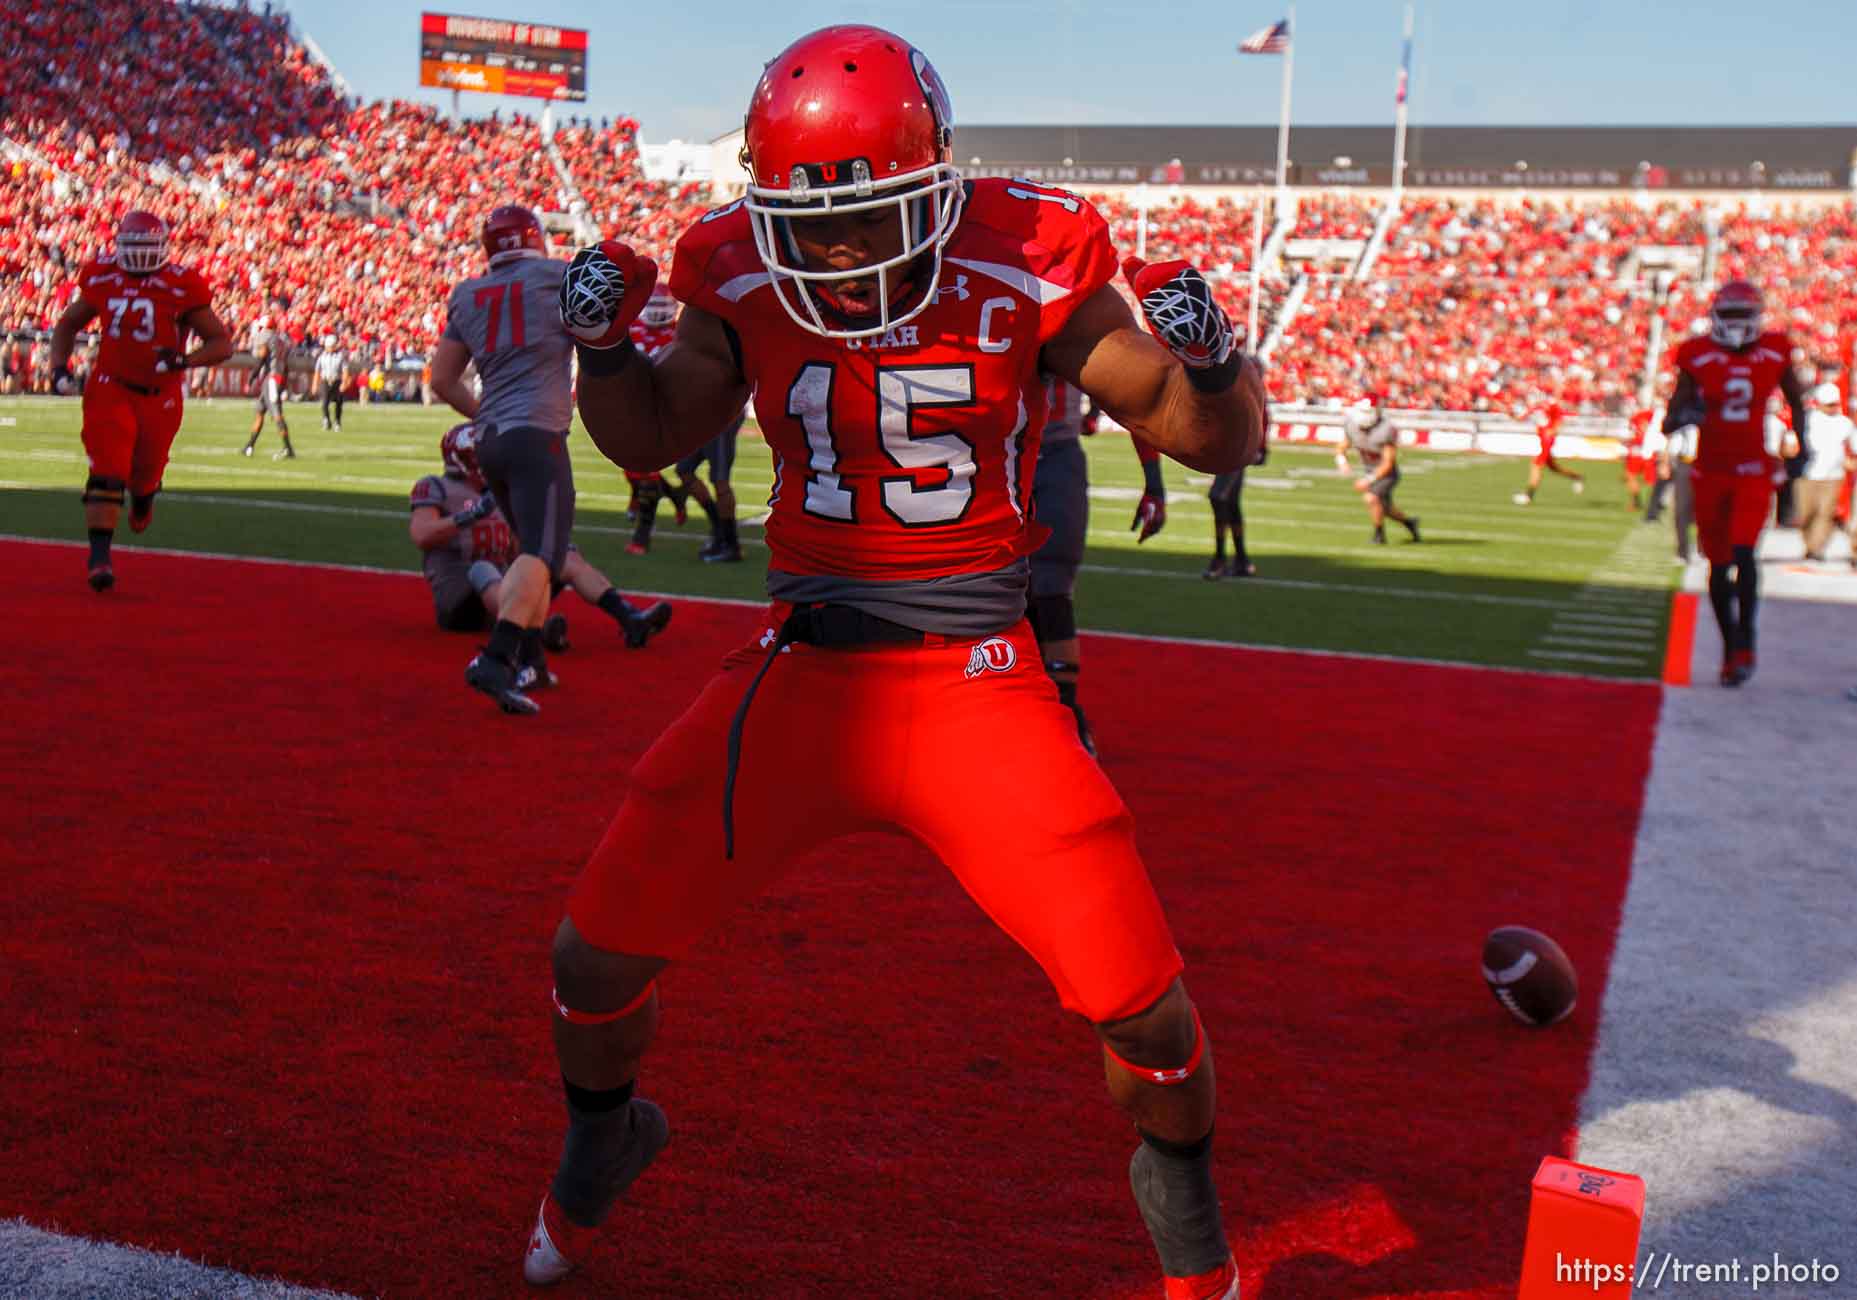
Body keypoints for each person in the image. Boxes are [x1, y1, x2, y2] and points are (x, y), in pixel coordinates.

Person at [532, 26, 1266, 1300]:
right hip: (804, 665)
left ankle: (1184, 1203)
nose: (834, 249)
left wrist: (1213, 362)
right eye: (808, 221)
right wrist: (601, 350)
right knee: (587, 959)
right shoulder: (734, 267)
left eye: (867, 217)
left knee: (1145, 1007)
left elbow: (1202, 437)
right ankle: (608, 1129)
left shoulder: (1027, 251)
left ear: (935, 181)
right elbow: (653, 436)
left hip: (976, 673)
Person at [430, 203, 601, 715]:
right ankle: (497, 657)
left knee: (530, 550)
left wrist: (486, 413)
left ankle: (533, 661)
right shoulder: (558, 278)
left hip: (490, 440)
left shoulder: (466, 293)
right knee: (544, 554)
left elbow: (441, 380)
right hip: (537, 436)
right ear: (536, 238)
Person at [47, 210, 233, 591]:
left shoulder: (182, 285)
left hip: (160, 395)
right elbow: (67, 324)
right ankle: (99, 559)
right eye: (133, 247)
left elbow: (220, 342)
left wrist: (184, 360)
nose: (139, 256)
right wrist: (58, 368)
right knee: (107, 470)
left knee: (144, 476)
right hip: (110, 386)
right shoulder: (100, 276)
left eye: (147, 247)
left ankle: (144, 496)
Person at [411, 423, 671, 670]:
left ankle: (630, 619)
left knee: (561, 554)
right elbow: (422, 534)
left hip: (506, 592)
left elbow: (515, 549)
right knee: (482, 567)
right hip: (460, 603)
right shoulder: (437, 487)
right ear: (463, 458)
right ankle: (533, 633)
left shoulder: (497, 491)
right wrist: (472, 515)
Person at [1664, 278, 1809, 686]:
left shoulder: (1775, 350)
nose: (1735, 323)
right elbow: (1669, 419)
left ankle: (1746, 641)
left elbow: (1797, 402)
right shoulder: (1695, 355)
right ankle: (1730, 647)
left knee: (1745, 554)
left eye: (1742, 315)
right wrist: (1686, 416)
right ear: (1714, 317)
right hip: (1709, 471)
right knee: (1718, 564)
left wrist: (1802, 451)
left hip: (1751, 469)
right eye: (1729, 315)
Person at [1027, 375, 1167, 756]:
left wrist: (1154, 482)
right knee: (996, 586)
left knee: (1052, 583)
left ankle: (1066, 708)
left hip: (1054, 454)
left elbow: (1125, 393)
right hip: (993, 453)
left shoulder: (1072, 316)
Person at [619, 290, 685, 556]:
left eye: (662, 307)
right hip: (632, 406)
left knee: (645, 474)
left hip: (660, 410)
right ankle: (676, 496)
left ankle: (641, 537)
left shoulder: (681, 334)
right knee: (631, 469)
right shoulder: (633, 326)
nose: (657, 312)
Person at [1339, 398, 1420, 544]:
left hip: (1387, 474)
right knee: (1385, 508)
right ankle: (1410, 523)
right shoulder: (1352, 425)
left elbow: (1388, 464)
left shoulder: (1386, 429)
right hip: (1369, 469)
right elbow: (1342, 447)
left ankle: (1379, 535)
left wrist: (1367, 480)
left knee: (1371, 498)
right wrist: (1342, 461)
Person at [1796, 383, 1856, 562]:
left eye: (1834, 404)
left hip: (1833, 476)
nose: (1832, 407)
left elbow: (1853, 446)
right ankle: (1808, 544)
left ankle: (1817, 548)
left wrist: (1849, 461)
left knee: (1825, 514)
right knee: (1806, 514)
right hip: (1808, 474)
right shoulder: (1808, 419)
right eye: (1828, 404)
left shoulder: (1844, 423)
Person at [1206, 426, 1265, 579]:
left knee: (1218, 497)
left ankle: (1220, 560)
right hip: (1232, 447)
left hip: (1239, 448)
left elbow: (1258, 412)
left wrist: (1258, 445)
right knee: (1231, 503)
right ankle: (1242, 562)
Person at [241, 316, 295, 459]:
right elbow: (286, 365)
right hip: (275, 378)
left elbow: (261, 359)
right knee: (259, 412)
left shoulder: (266, 337)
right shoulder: (281, 340)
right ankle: (250, 445)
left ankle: (288, 449)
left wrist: (251, 378)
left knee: (277, 414)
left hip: (271, 379)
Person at [1512, 397, 1583, 504]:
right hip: (1543, 439)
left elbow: (1559, 419)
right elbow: (1519, 418)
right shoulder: (1535, 406)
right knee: (1554, 468)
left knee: (1536, 465)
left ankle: (1528, 496)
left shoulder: (1551, 404)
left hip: (1547, 439)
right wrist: (1509, 413)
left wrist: (1553, 431)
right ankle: (1577, 477)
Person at [314, 333, 349, 431]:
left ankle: (337, 422)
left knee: (338, 403)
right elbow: (317, 371)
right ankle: (326, 419)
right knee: (324, 402)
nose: (329, 348)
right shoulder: (322, 357)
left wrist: (344, 382)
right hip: (325, 380)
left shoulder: (340, 356)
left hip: (336, 380)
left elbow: (345, 370)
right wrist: (315, 384)